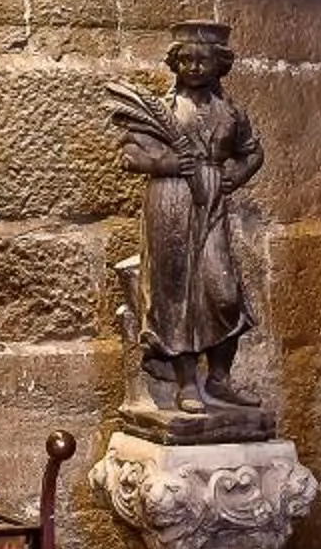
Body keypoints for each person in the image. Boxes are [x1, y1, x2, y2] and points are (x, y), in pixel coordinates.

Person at [111, 23, 263, 413]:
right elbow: (128, 157)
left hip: (211, 200)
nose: (194, 67)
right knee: (175, 292)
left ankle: (220, 378)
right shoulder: (161, 110)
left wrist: (235, 174)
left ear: (219, 66)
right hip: (170, 202)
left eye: (203, 60)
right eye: (186, 60)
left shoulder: (230, 113)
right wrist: (167, 162)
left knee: (223, 291)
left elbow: (251, 152)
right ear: (175, 65)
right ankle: (186, 384)